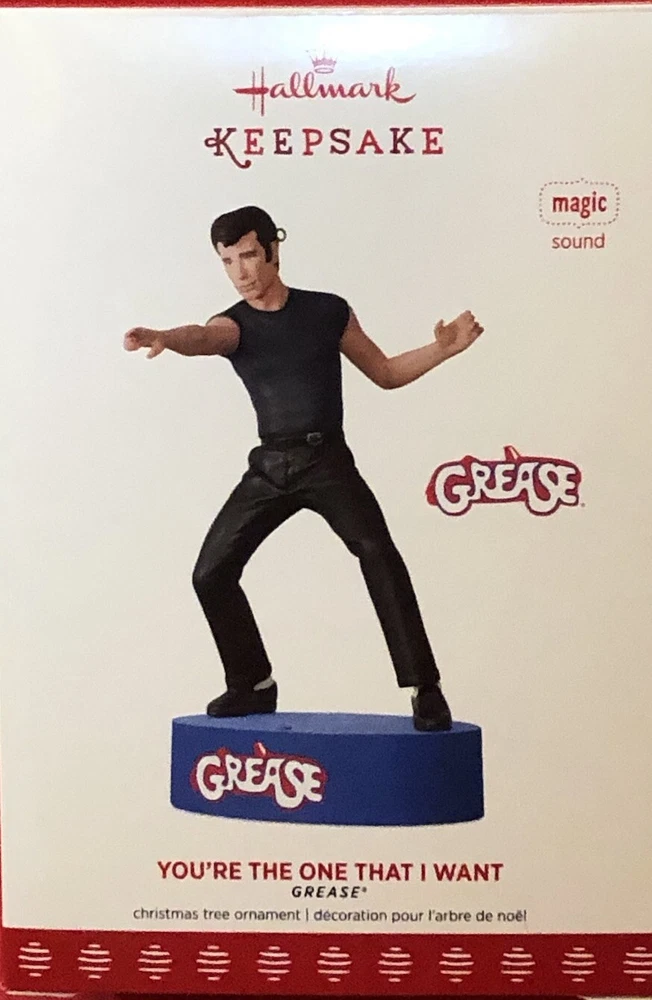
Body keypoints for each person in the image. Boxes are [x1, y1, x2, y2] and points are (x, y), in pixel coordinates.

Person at [124, 205, 483, 732]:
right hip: (270, 467)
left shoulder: (326, 311)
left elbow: (384, 372)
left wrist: (442, 349)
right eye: (227, 262)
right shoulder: (234, 325)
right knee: (211, 573)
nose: (241, 272)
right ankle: (253, 683)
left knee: (379, 553)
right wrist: (167, 337)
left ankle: (424, 686)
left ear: (273, 249)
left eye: (249, 255)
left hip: (327, 462)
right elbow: (203, 336)